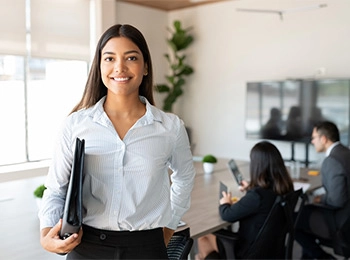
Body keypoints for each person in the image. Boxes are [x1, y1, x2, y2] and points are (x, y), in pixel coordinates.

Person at [38, 24, 196, 259]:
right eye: (109, 58)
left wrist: (169, 226)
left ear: (145, 67)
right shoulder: (75, 125)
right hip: (86, 247)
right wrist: (46, 235)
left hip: (147, 247)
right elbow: (56, 188)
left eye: (131, 57)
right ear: (99, 67)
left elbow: (184, 178)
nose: (119, 67)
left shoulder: (170, 127)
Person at [196, 141, 294, 259]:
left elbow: (227, 215)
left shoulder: (256, 196)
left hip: (250, 252)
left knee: (203, 237)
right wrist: (250, 188)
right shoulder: (286, 188)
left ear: (257, 166)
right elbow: (263, 199)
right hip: (273, 249)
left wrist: (225, 203)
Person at [295, 121, 350, 259]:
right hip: (347, 215)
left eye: (314, 138)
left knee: (292, 219)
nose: (312, 141)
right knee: (305, 212)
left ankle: (322, 257)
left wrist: (322, 198)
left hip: (340, 221)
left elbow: (337, 201)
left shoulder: (332, 161)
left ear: (324, 139)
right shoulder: (346, 153)